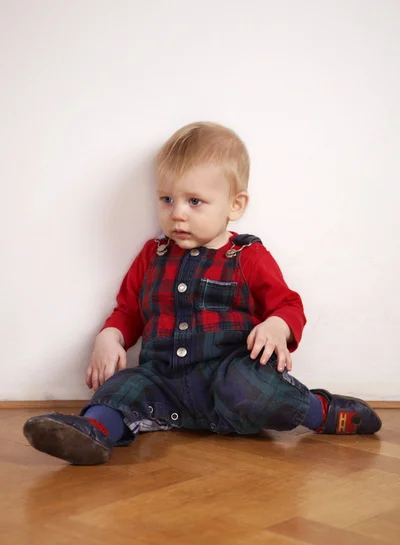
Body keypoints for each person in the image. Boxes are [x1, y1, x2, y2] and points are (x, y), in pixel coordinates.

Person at [23, 122, 381, 465]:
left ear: (235, 205)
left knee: (251, 388)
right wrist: (110, 336)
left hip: (229, 378)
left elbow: (288, 304)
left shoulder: (247, 257)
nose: (177, 214)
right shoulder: (153, 255)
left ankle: (318, 410)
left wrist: (276, 326)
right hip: (163, 380)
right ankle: (95, 431)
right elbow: (129, 309)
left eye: (194, 201)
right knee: (123, 387)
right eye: (167, 199)